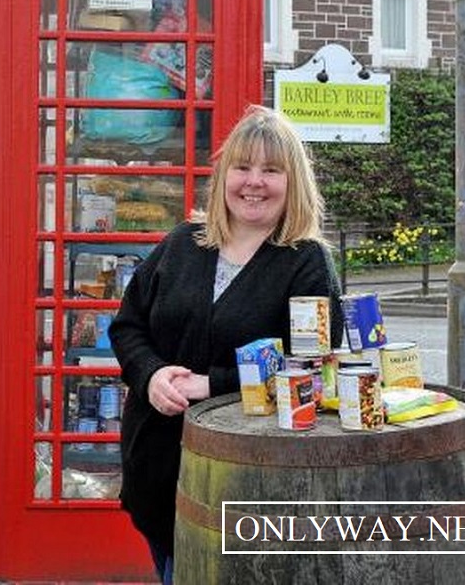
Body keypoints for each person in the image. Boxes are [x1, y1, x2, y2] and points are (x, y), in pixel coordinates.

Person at [108, 105, 343, 583]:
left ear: (292, 182)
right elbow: (128, 326)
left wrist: (208, 385)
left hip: (245, 481)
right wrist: (151, 374)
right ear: (225, 175)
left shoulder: (306, 263)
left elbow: (309, 368)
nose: (253, 182)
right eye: (243, 167)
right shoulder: (182, 243)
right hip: (157, 466)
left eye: (271, 170)